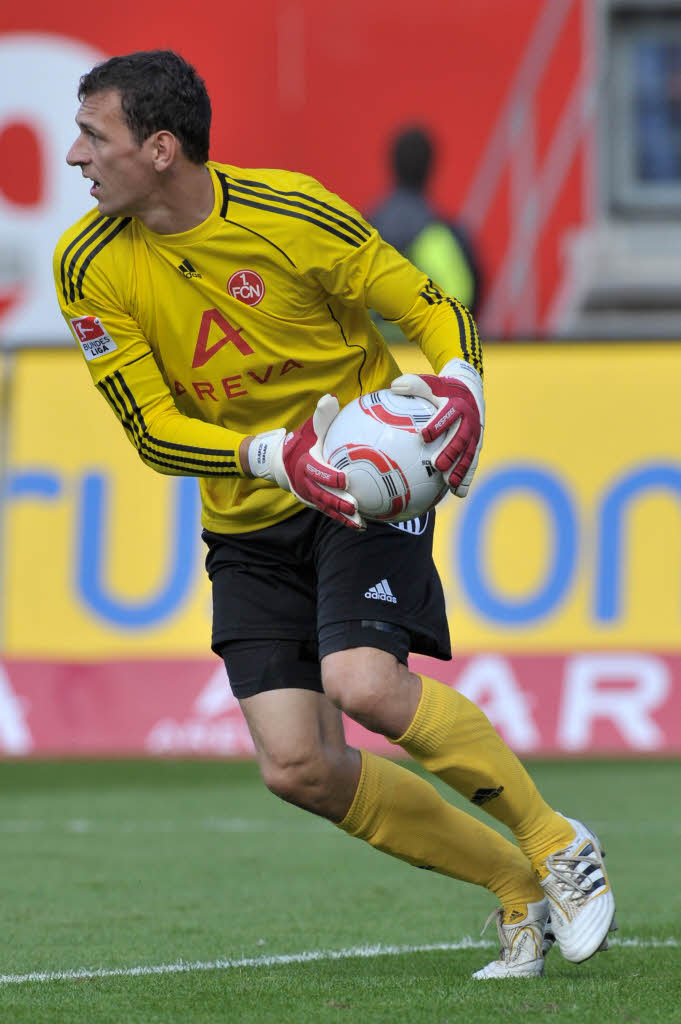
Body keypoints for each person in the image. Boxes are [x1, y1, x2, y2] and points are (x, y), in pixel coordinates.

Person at [53, 50, 616, 979]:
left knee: (365, 686)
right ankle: (517, 889)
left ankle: (559, 843)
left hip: (361, 486)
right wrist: (274, 456)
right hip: (250, 509)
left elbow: (429, 307)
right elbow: (153, 431)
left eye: (92, 135)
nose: (76, 155)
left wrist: (462, 384)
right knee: (297, 768)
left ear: (159, 148)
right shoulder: (87, 267)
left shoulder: (291, 213)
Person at [368, 125, 482, 318]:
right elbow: (463, 302)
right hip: (426, 344)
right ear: (430, 168)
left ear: (392, 165)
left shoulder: (362, 231)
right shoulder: (441, 236)